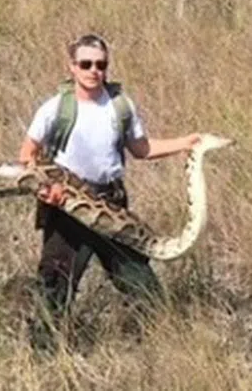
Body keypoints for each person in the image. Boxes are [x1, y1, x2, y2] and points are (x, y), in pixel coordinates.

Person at [17, 33, 201, 351]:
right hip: (67, 207)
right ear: (72, 67)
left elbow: (141, 149)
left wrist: (185, 143)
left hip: (111, 204)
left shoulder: (120, 106)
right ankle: (44, 357)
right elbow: (27, 154)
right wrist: (47, 190)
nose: (93, 71)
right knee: (55, 285)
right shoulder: (55, 108)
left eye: (100, 65)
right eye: (85, 64)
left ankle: (163, 347)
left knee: (139, 280)